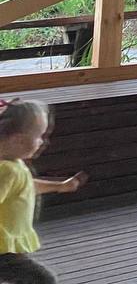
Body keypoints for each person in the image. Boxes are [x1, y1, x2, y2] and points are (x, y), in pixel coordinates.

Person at [0, 99, 88, 284]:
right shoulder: (7, 170)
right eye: (39, 136)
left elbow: (24, 186)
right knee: (43, 280)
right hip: (2, 250)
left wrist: (60, 186)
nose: (42, 142)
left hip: (6, 245)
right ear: (18, 140)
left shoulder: (12, 165)